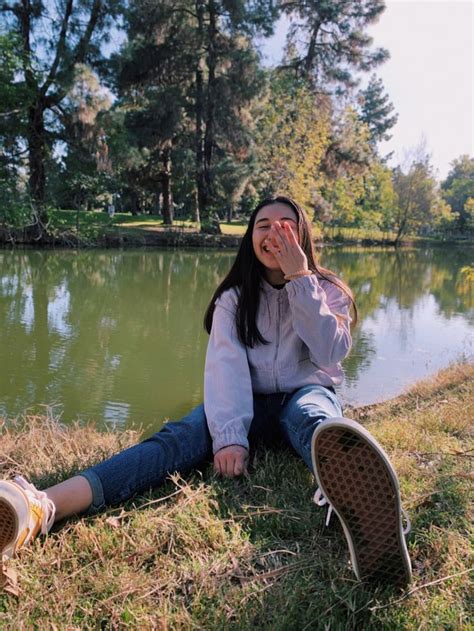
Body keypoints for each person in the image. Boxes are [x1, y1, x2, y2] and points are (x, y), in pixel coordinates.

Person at [0, 196, 412, 585]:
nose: (273, 234)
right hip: (242, 399)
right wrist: (230, 436)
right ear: (250, 238)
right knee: (175, 440)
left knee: (318, 423)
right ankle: (41, 505)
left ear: (302, 236)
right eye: (263, 226)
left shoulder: (329, 290)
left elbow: (331, 352)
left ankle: (357, 510)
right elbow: (225, 369)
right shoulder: (233, 299)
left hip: (304, 393)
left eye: (285, 226)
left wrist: (301, 280)